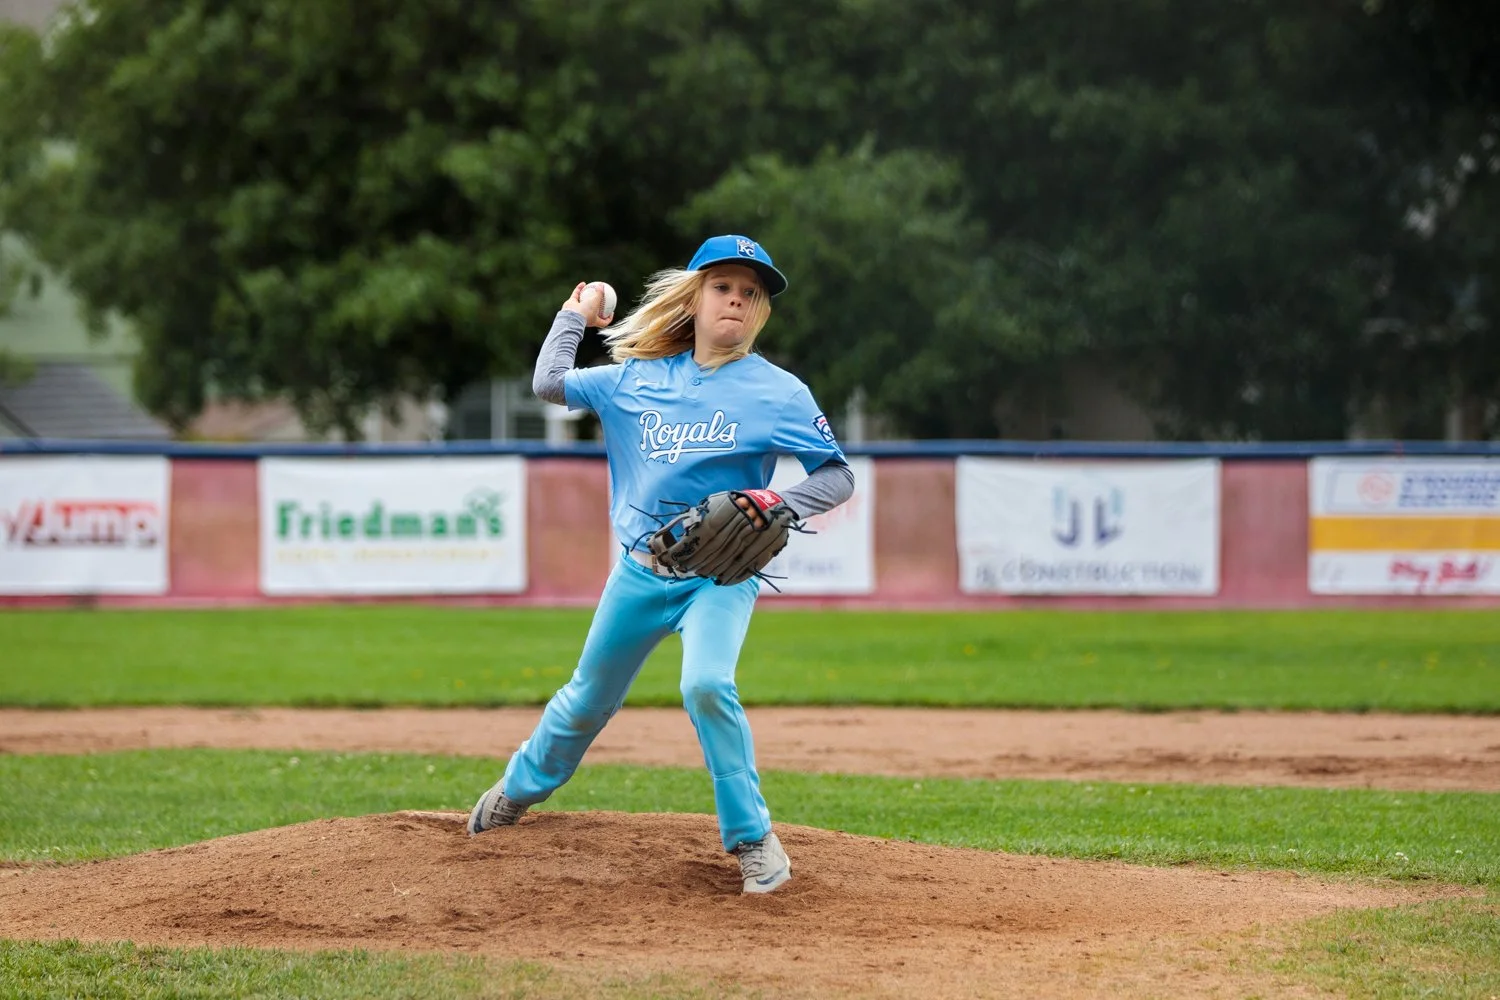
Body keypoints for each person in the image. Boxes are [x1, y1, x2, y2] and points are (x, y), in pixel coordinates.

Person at [466, 235, 855, 894]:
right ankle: (519, 789)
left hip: (721, 577)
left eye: (751, 293)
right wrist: (572, 319)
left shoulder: (778, 392)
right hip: (641, 572)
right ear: (695, 298)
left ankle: (753, 839)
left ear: (760, 311)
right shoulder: (638, 378)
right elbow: (548, 383)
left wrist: (777, 502)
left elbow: (836, 477)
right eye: (723, 287)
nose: (737, 299)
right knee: (586, 698)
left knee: (706, 686)